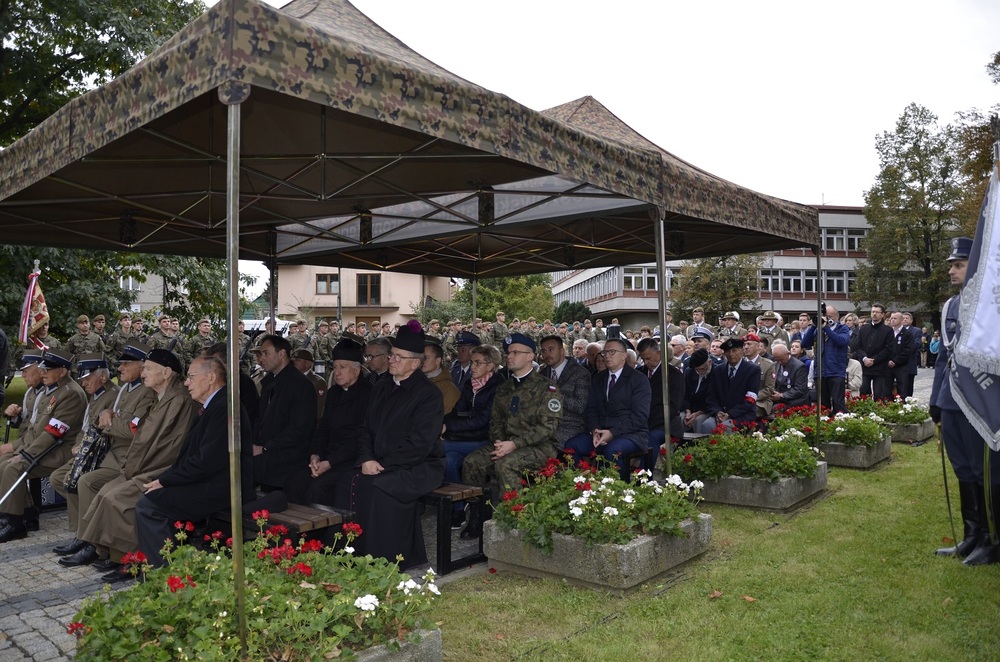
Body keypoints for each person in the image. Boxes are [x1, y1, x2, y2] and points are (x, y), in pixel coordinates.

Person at [76, 348, 199, 581]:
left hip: (160, 469)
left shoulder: (179, 400)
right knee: (105, 492)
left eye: (148, 368)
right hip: (144, 465)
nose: (143, 373)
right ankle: (109, 552)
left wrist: (138, 471)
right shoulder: (161, 397)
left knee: (117, 498)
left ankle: (132, 559)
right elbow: (144, 434)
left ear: (166, 372)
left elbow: (169, 446)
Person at [330, 320, 445, 568]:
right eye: (392, 355)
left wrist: (381, 464)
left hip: (418, 466)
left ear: (415, 363)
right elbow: (364, 429)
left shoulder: (429, 395)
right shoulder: (381, 387)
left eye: (399, 357)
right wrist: (366, 458)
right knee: (345, 482)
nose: (392, 360)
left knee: (377, 488)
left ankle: (383, 561)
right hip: (378, 462)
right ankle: (348, 555)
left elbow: (420, 444)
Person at [134, 355, 254, 568]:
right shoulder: (216, 404)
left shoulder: (224, 406)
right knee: (152, 496)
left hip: (224, 488)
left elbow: (205, 462)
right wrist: (166, 480)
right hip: (209, 481)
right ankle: (167, 563)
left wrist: (166, 481)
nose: (186, 382)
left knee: (149, 505)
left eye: (191, 377)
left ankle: (161, 570)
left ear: (211, 378)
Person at [51, 342, 157, 562]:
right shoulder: (126, 390)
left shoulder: (145, 393)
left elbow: (133, 430)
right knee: (68, 479)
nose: (120, 368)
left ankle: (91, 541)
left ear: (142, 365)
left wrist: (107, 423)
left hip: (124, 458)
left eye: (126, 364)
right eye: (121, 363)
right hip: (109, 453)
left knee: (86, 482)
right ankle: (83, 534)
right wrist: (109, 415)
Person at [930, 237, 999, 565]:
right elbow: (943, 358)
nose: (951, 271)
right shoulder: (950, 306)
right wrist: (935, 400)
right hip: (952, 398)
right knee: (963, 468)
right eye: (951, 265)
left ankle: (991, 538)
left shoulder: (992, 307)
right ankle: (972, 535)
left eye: (958, 265)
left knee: (985, 471)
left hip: (980, 401)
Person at [461, 333, 562, 539]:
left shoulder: (547, 388)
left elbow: (547, 428)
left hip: (539, 448)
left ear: (530, 356)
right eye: (508, 353)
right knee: (472, 462)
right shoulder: (504, 388)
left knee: (505, 464)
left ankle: (513, 520)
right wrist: (500, 442)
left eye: (516, 352)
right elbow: (495, 422)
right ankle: (478, 515)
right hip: (505, 445)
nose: (510, 356)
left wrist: (514, 444)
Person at [0, 349, 87, 542]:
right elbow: (35, 427)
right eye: (42, 369)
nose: (42, 373)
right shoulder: (53, 390)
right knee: (5, 463)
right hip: (45, 448)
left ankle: (15, 524)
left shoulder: (70, 393)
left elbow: (53, 433)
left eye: (47, 369)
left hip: (60, 450)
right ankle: (27, 514)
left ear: (62, 372)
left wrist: (25, 454)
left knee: (13, 467)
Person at [284, 338, 372, 506]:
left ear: (356, 370)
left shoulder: (369, 395)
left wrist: (330, 462)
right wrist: (315, 455)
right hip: (328, 456)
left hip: (350, 460)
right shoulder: (333, 393)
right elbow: (323, 428)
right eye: (335, 367)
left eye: (342, 367)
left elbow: (360, 437)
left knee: (318, 488)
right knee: (296, 480)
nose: (336, 372)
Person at [48, 354, 119, 556]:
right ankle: (81, 530)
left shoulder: (112, 395)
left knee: (78, 481)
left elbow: (105, 430)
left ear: (103, 377)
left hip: (100, 454)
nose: (83, 382)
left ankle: (87, 536)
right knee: (58, 478)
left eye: (87, 378)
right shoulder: (95, 394)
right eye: (82, 379)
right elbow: (85, 427)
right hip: (86, 451)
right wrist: (77, 445)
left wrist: (83, 445)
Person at [566, 335, 650, 480]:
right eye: (605, 352)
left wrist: (612, 432)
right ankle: (581, 485)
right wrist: (595, 429)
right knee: (571, 446)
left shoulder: (638, 379)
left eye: (612, 352)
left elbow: (639, 416)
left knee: (613, 450)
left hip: (630, 434)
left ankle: (617, 490)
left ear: (624, 355)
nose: (607, 356)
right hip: (600, 431)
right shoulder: (598, 378)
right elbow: (591, 408)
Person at [441, 344, 505, 529]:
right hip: (466, 437)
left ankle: (475, 510)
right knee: (449, 460)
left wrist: (447, 428)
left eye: (478, 363)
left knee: (440, 446)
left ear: (490, 365)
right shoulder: (471, 384)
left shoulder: (498, 386)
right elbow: (457, 411)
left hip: (487, 439)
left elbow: (484, 421)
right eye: (472, 362)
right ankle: (459, 508)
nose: (473, 367)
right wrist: (441, 424)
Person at [252, 335, 317, 490]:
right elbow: (261, 419)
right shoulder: (270, 382)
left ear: (281, 354)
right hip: (267, 454)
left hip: (287, 460)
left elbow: (299, 429)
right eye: (261, 354)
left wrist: (266, 448)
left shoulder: (300, 385)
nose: (261, 358)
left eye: (266, 353)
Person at [637, 337, 684, 464]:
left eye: (649, 358)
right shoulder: (638, 373)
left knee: (651, 438)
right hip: (640, 422)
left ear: (659, 353)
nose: (646, 362)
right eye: (643, 359)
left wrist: (646, 422)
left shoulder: (673, 375)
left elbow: (673, 406)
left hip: (666, 424)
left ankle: (646, 473)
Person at [699, 338, 760, 434]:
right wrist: (717, 412)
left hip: (741, 414)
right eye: (728, 351)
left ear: (742, 351)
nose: (731, 354)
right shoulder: (718, 370)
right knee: (707, 425)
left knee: (725, 427)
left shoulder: (753, 370)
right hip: (720, 413)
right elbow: (711, 395)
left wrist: (730, 414)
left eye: (734, 350)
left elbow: (750, 399)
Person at [538, 334, 590, 446]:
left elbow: (580, 406)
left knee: (543, 446)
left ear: (562, 351)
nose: (546, 355)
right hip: (542, 423)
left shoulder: (580, 373)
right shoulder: (541, 374)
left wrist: (555, 395)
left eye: (551, 350)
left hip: (569, 426)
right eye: (543, 351)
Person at [801, 305, 851, 414]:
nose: (827, 319)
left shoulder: (842, 328)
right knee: (823, 405)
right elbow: (804, 343)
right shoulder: (818, 330)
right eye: (825, 316)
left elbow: (841, 341)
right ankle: (826, 421)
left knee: (838, 403)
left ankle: (841, 421)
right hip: (820, 371)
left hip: (836, 370)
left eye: (830, 316)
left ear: (837, 317)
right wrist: (814, 326)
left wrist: (826, 328)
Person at [850, 304, 894, 400]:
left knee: (879, 394)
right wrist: (864, 358)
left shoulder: (888, 330)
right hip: (865, 366)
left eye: (877, 312)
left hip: (880, 367)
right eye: (873, 312)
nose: (874, 314)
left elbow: (888, 349)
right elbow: (858, 346)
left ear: (882, 314)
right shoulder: (864, 329)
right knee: (863, 392)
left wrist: (874, 360)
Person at [422, 339, 461, 415]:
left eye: (426, 358)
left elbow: (446, 417)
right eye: (421, 358)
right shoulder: (419, 381)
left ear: (438, 360)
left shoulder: (448, 389)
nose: (422, 361)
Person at [291, 348, 328, 423]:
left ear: (307, 364)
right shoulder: (290, 379)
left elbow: (318, 410)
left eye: (297, 360)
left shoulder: (318, 383)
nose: (293, 363)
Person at [682, 349, 714, 433]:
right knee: (680, 419)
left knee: (699, 421)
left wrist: (697, 413)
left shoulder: (716, 372)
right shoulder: (690, 371)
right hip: (689, 408)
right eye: (697, 369)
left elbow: (713, 398)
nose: (700, 372)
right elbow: (684, 394)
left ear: (710, 362)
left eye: (702, 369)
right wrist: (688, 411)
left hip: (706, 409)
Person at [771, 344, 809, 408]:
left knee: (775, 408)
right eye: (777, 360)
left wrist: (782, 395)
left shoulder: (799, 366)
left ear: (788, 354)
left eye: (781, 360)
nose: (779, 362)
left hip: (793, 400)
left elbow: (799, 389)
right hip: (777, 399)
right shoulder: (775, 365)